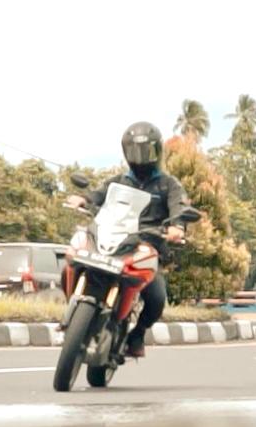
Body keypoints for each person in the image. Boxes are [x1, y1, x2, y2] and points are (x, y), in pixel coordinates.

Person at [67, 121, 189, 358]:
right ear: (126, 152)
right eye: (135, 151)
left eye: (146, 151)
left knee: (157, 297)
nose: (140, 157)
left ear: (157, 151)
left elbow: (179, 207)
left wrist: (177, 226)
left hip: (146, 245)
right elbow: (97, 195)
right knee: (74, 258)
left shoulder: (169, 184)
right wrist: (83, 200)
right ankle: (73, 310)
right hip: (112, 238)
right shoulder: (118, 181)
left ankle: (138, 333)